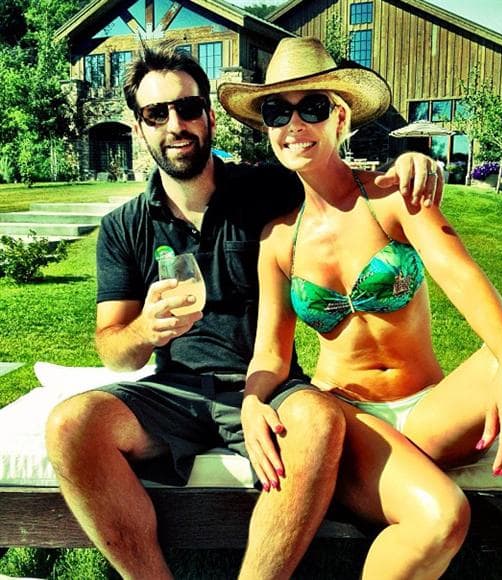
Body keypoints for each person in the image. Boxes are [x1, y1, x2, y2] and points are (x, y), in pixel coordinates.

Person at [44, 41, 441, 580]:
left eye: (187, 108)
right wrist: (145, 330)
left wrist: (406, 164)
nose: (175, 125)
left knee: (319, 419)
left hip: (270, 386)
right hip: (176, 393)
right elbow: (114, 349)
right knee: (71, 424)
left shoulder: (267, 190)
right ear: (139, 127)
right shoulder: (124, 228)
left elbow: (335, 176)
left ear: (209, 116)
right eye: (156, 114)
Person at [219, 36, 502, 578]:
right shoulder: (277, 242)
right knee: (441, 517)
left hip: (428, 410)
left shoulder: (392, 198)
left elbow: (460, 276)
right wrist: (251, 401)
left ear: (340, 118)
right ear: (267, 129)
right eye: (276, 111)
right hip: (354, 421)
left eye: (312, 107)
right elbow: (271, 351)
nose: (293, 124)